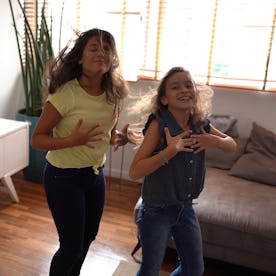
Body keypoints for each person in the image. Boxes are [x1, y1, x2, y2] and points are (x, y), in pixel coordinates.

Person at [31, 28, 135, 276]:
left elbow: (104, 134)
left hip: (95, 174)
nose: (102, 53)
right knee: (70, 246)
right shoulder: (66, 94)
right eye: (94, 48)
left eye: (107, 49)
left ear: (113, 58)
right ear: (80, 57)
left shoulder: (115, 94)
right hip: (63, 177)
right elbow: (37, 139)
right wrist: (70, 140)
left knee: (88, 237)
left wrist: (117, 138)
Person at [129, 67, 237, 276]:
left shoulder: (200, 125)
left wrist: (213, 140)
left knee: (195, 269)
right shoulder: (159, 125)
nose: (184, 90)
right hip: (156, 211)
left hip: (185, 208)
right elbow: (135, 171)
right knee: (150, 269)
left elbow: (231, 145)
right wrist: (170, 151)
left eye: (189, 85)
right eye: (175, 87)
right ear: (164, 99)